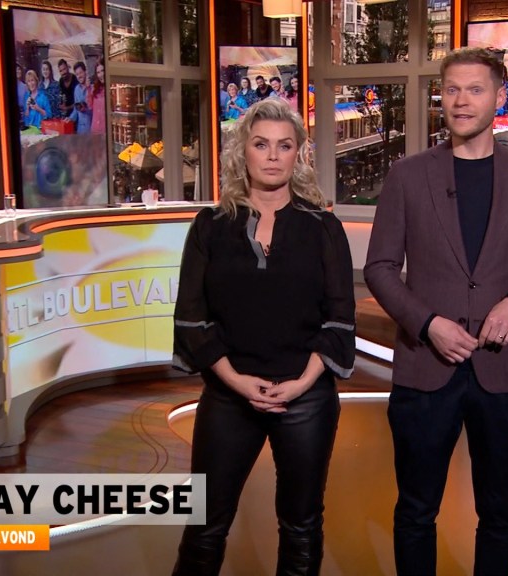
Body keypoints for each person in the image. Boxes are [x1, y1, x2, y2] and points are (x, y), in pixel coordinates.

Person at [364, 48, 508, 575]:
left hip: (504, 374)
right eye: (451, 89)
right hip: (424, 369)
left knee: (500, 514)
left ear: (499, 97)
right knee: (415, 511)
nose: (460, 100)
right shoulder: (408, 175)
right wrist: (427, 323)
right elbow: (380, 268)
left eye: (475, 89)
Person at [172, 98, 355, 575]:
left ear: (298, 155)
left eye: (284, 145)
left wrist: (301, 384)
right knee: (205, 525)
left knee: (301, 526)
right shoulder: (210, 227)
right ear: (243, 152)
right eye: (261, 144)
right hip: (228, 395)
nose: (273, 156)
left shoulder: (324, 228)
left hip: (306, 396)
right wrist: (236, 382)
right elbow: (191, 317)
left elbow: (339, 317)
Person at [68, 62, 91, 134]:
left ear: (85, 72)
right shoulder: (76, 89)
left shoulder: (92, 87)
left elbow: (96, 109)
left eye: (80, 73)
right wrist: (70, 118)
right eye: (77, 74)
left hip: (91, 128)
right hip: (80, 129)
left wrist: (86, 109)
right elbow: (76, 109)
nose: (79, 76)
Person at [88, 58, 106, 134]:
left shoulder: (112, 89)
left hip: (106, 131)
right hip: (95, 129)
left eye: (102, 71)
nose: (100, 74)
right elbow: (90, 106)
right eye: (98, 72)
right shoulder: (94, 89)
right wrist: (88, 89)